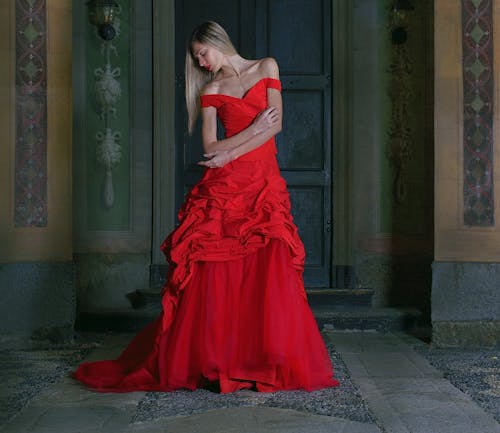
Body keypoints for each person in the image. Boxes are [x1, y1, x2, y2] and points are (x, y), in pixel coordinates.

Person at [73, 21, 338, 393]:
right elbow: (211, 148)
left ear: (217, 42)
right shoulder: (212, 90)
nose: (201, 62)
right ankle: (217, 360)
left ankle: (259, 361)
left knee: (269, 267)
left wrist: (234, 148)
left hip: (263, 184)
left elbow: (275, 127)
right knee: (217, 273)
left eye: (202, 53)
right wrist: (240, 141)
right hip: (226, 187)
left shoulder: (267, 67)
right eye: (196, 58)